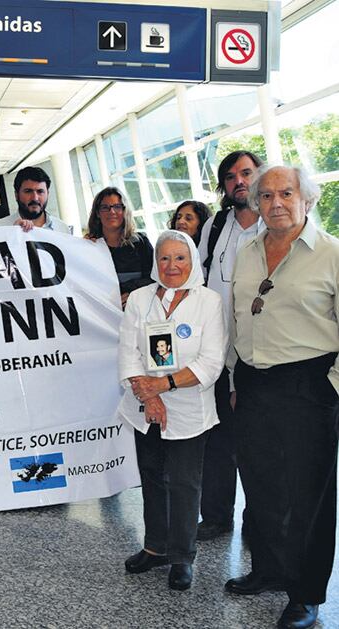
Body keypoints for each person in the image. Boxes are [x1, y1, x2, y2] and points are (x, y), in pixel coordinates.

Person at [225, 165, 338, 629]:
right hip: (253, 384)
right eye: (266, 194)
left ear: (306, 198)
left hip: (309, 385)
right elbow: (238, 317)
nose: (275, 202)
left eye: (285, 193)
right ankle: (270, 570)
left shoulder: (331, 254)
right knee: (262, 488)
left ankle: (306, 594)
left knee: (308, 497)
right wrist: (235, 380)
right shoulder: (248, 252)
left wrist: (332, 385)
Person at [118, 229, 226, 591]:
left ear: (192, 261)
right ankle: (155, 547)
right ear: (155, 261)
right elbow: (128, 351)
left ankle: (182, 557)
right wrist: (148, 397)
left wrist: (162, 386)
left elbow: (211, 362)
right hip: (144, 406)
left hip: (189, 409)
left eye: (180, 258)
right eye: (164, 258)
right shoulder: (140, 299)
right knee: (152, 478)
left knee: (184, 483)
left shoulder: (208, 301)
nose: (171, 265)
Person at [196, 150, 263, 542]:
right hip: (216, 354)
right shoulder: (217, 224)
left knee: (254, 445)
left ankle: (258, 523)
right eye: (231, 176)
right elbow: (200, 277)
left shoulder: (273, 226)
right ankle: (217, 516)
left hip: (257, 354)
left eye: (246, 173)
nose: (239, 181)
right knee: (217, 440)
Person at [85, 187, 154, 308]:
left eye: (117, 206)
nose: (112, 212)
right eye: (105, 207)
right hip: (102, 314)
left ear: (124, 210)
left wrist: (131, 292)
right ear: (97, 213)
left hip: (137, 310)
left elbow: (155, 278)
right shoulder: (89, 247)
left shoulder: (141, 243)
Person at [0, 166, 71, 233]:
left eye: (40, 191)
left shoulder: (62, 229)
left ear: (48, 194)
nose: (35, 198)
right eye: (28, 191)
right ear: (16, 195)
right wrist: (12, 233)